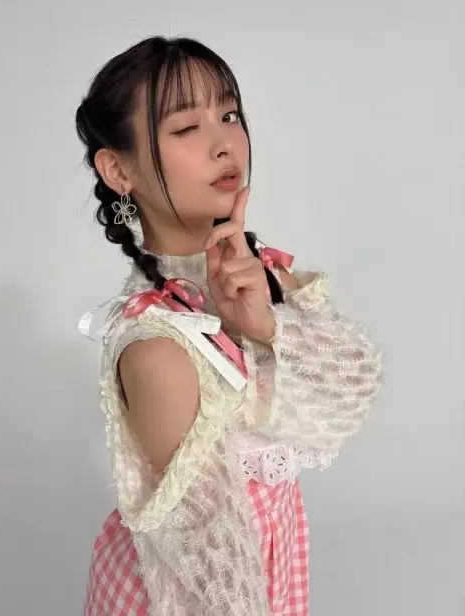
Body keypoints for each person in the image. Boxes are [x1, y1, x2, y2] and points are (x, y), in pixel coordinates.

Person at [75, 36, 384, 616]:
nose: (224, 144)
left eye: (230, 115)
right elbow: (209, 570)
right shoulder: (157, 345)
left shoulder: (264, 279)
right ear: (118, 169)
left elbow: (351, 395)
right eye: (186, 128)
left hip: (272, 575)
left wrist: (267, 326)